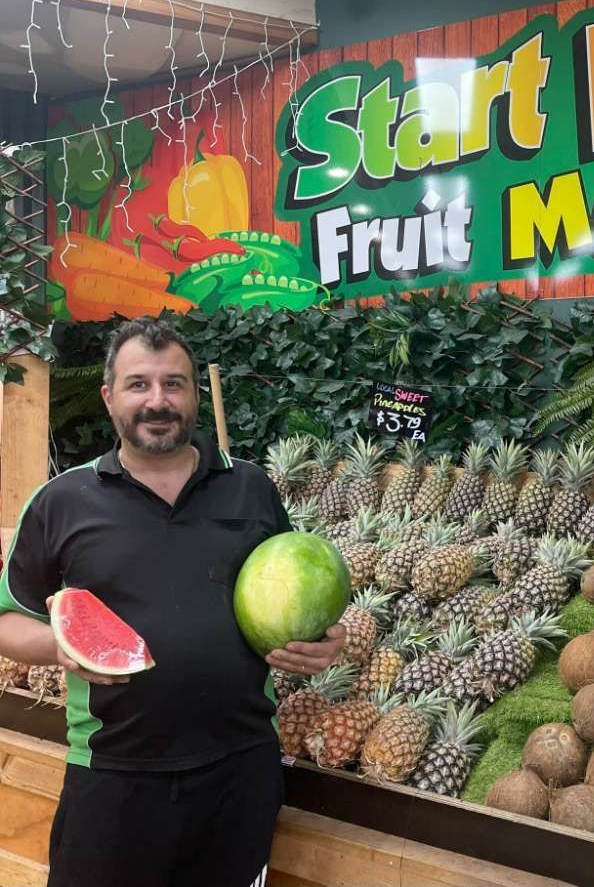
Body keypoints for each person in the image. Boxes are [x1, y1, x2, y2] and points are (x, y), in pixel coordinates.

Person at [0, 317, 345, 887]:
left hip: (240, 770)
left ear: (195, 395)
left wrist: (322, 641)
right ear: (110, 396)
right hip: (114, 773)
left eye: (174, 384)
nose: (157, 401)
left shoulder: (250, 486)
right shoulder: (61, 501)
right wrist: (62, 646)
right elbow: (8, 621)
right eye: (139, 384)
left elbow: (298, 590)